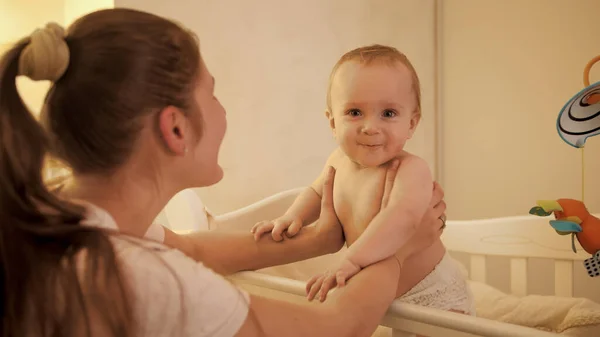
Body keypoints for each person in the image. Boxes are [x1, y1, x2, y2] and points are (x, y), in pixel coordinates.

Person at [0, 8, 447, 337]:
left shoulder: (58, 216)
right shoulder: (151, 281)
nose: (223, 110)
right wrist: (400, 250)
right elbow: (339, 327)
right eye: (212, 95)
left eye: (388, 112)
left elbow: (194, 248)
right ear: (175, 127)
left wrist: (319, 239)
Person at [252, 45, 475, 317]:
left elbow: (402, 217)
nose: (370, 126)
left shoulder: (411, 169)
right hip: (382, 291)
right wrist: (292, 217)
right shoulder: (337, 161)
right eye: (355, 112)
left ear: (412, 123)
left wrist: (352, 260)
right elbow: (316, 192)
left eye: (389, 114)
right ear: (333, 123)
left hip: (430, 292)